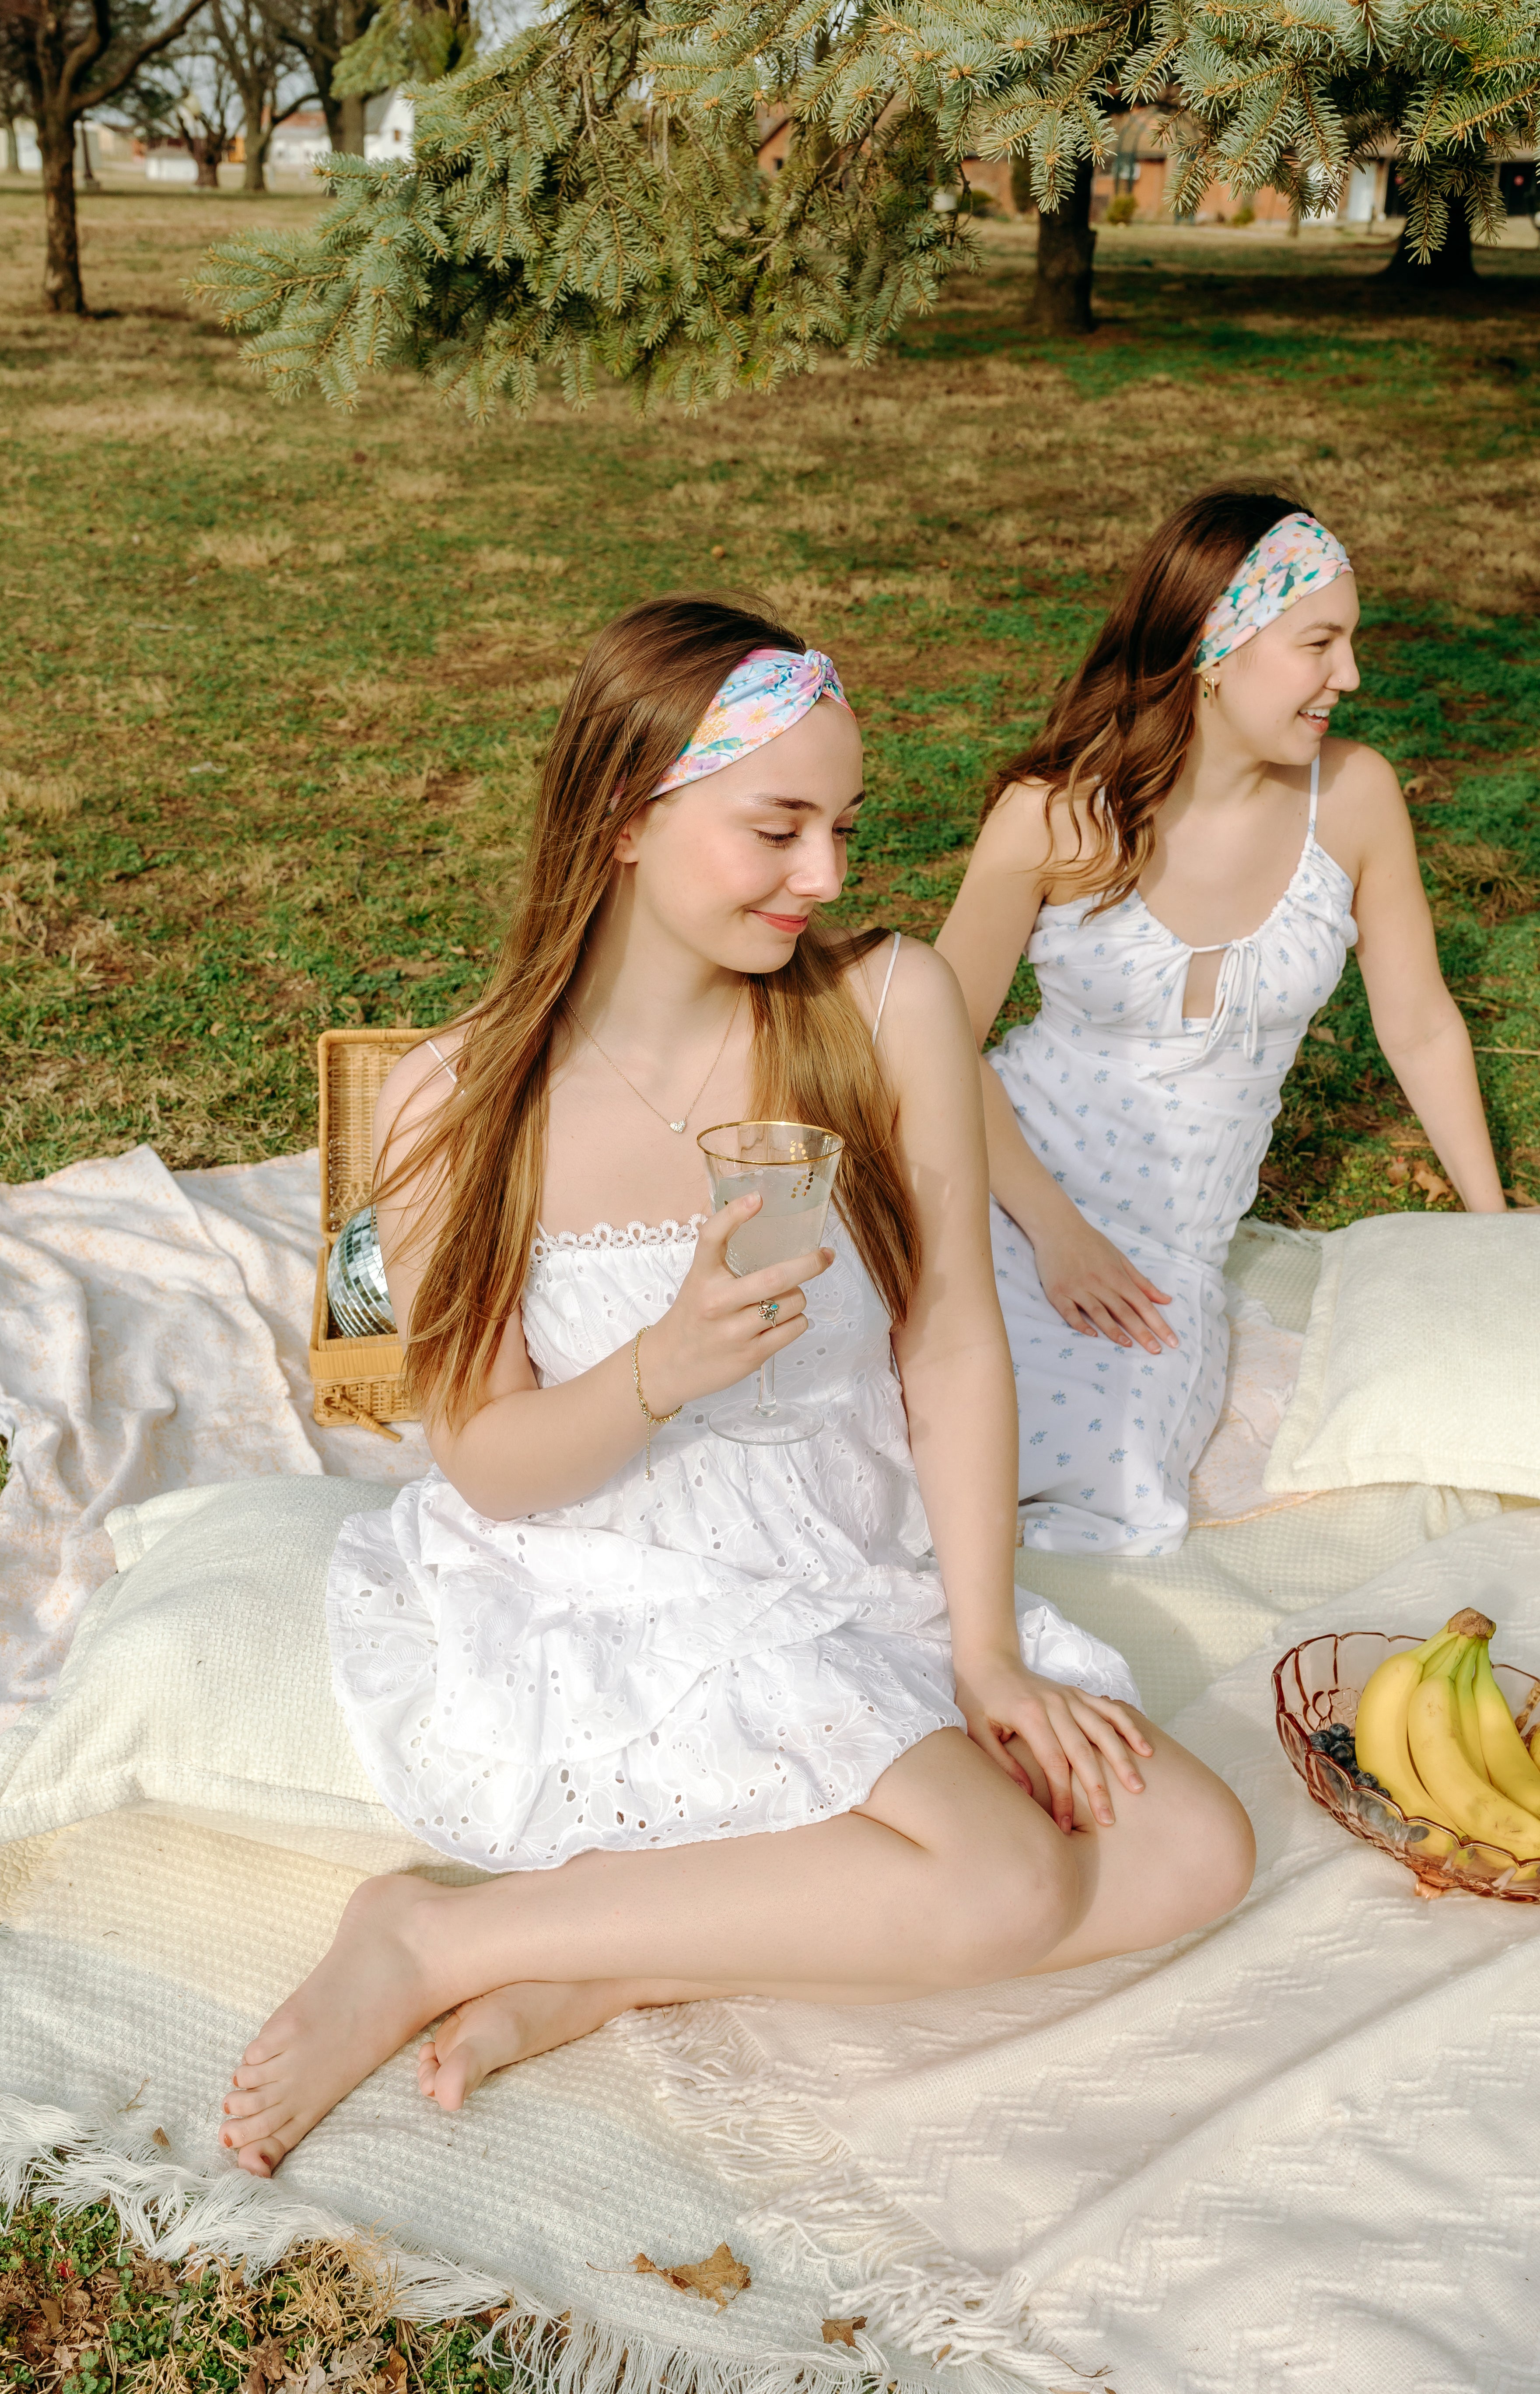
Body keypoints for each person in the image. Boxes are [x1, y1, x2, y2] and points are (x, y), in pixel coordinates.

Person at [218, 596, 1254, 2177]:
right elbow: (486, 1463)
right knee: (1003, 1878)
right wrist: (661, 1368)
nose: (825, 875)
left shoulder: (883, 1009)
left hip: (845, 1554)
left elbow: (951, 1341)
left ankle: (605, 1965)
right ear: (625, 818)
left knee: (1193, 1850)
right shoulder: (454, 1103)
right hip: (618, 1569)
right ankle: (431, 1936)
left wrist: (985, 1648)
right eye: (777, 829)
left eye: (843, 826)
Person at [935, 490, 1507, 1559]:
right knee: (911, 1429)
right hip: (1002, 1185)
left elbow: (1421, 1024)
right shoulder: (1057, 815)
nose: (1351, 676)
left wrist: (1493, 1227)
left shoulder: (1355, 798)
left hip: (1171, 1250)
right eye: (1319, 644)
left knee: (1103, 1472)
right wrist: (1058, 1235)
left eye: (1350, 643)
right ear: (1213, 645)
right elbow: (934, 1043)